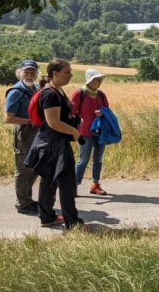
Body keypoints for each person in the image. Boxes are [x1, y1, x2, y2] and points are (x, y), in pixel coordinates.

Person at [24, 58, 84, 229]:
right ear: (55, 73)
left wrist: (75, 121)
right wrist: (74, 132)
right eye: (67, 72)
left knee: (48, 181)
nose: (71, 75)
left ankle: (47, 217)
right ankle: (73, 224)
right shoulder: (50, 94)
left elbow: (61, 118)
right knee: (66, 183)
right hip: (54, 145)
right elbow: (53, 123)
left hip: (49, 144)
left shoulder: (58, 91)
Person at [4, 59, 41, 215]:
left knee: (34, 166)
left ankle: (27, 200)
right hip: (24, 134)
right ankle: (23, 204)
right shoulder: (15, 92)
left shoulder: (36, 88)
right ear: (20, 73)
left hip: (36, 132)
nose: (29, 74)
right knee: (23, 168)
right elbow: (8, 118)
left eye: (32, 71)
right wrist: (30, 121)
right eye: (26, 71)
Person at [72, 68, 110, 196]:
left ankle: (95, 185)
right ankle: (73, 186)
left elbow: (108, 112)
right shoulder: (79, 93)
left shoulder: (101, 95)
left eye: (101, 80)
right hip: (84, 133)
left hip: (100, 132)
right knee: (83, 160)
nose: (100, 82)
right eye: (97, 79)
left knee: (98, 159)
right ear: (90, 80)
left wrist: (103, 113)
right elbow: (72, 114)